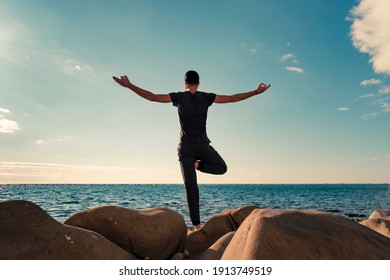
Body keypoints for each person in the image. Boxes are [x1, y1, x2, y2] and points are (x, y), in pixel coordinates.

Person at [113, 70, 270, 230]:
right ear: (199, 83)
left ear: (185, 83)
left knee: (190, 186)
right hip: (202, 146)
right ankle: (198, 167)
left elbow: (152, 97)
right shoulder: (206, 97)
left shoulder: (179, 97)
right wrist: (256, 92)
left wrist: (129, 85)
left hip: (186, 148)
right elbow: (232, 98)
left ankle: (196, 226)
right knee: (222, 168)